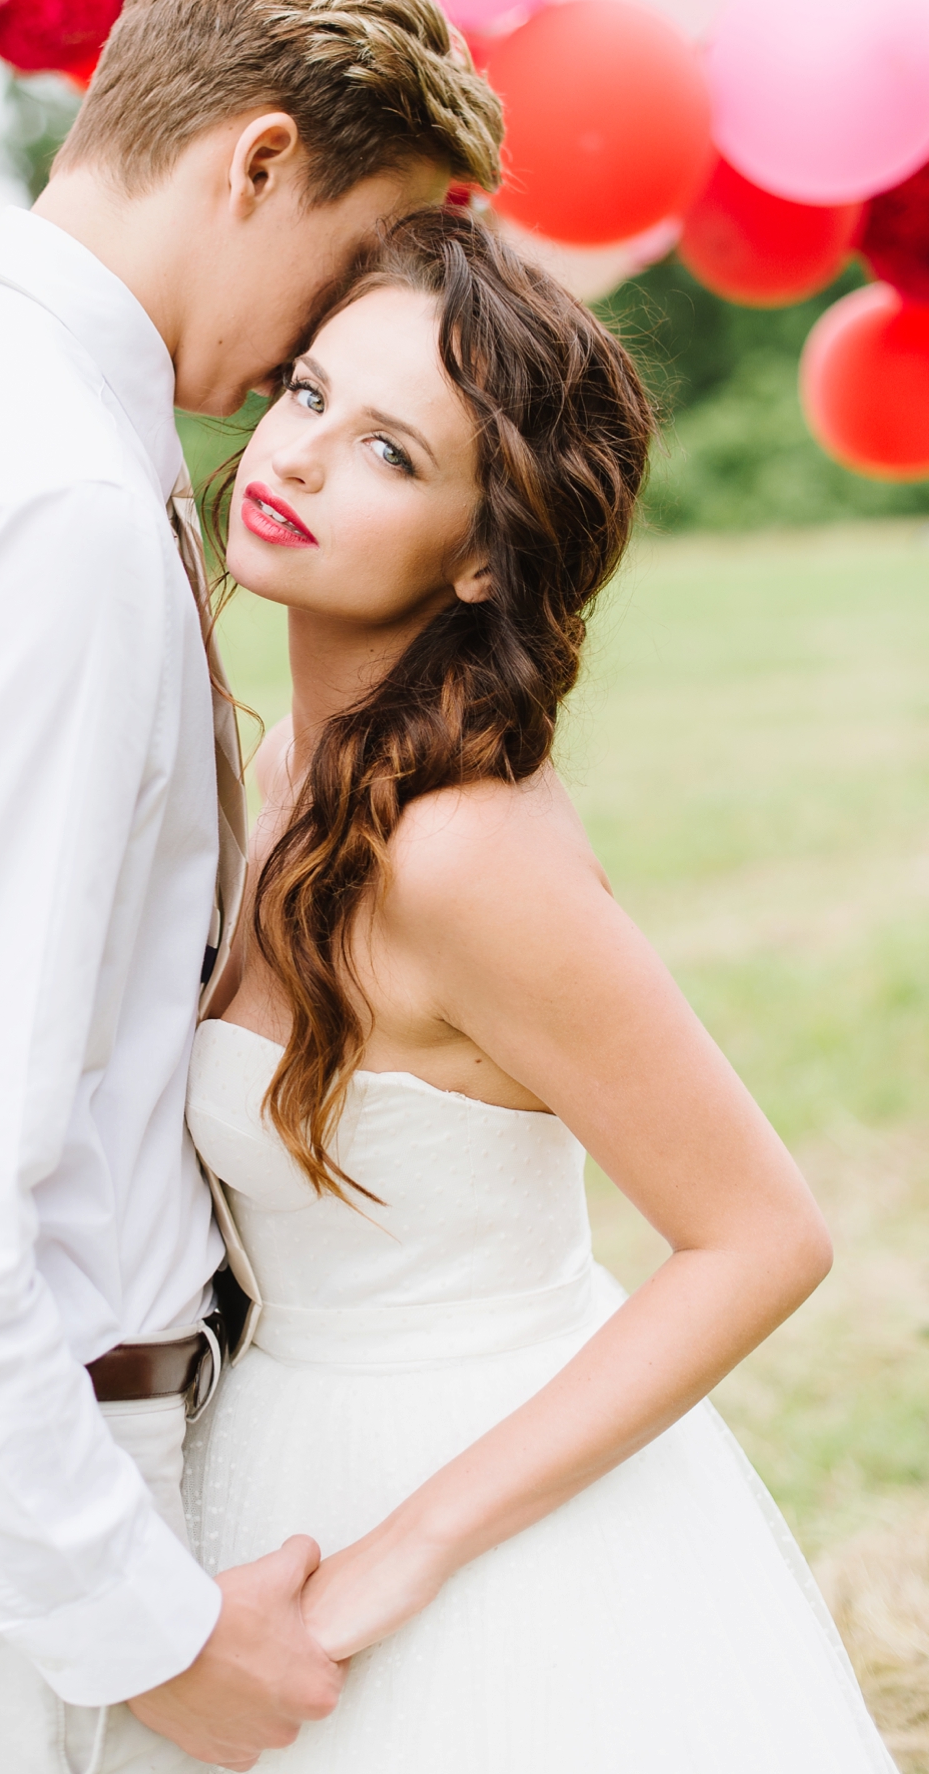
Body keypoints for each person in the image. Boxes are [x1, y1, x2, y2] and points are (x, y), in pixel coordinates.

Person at [0, 0, 503, 1774]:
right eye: (351, 256)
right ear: (257, 161)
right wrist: (143, 1627)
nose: (330, 332)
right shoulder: (49, 501)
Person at [182, 206, 897, 1772]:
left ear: (485, 552)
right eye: (307, 394)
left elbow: (763, 1233)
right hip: (276, 1451)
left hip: (483, 1508)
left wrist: (416, 1545)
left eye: (389, 451)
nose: (297, 460)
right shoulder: (287, 762)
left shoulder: (463, 854)